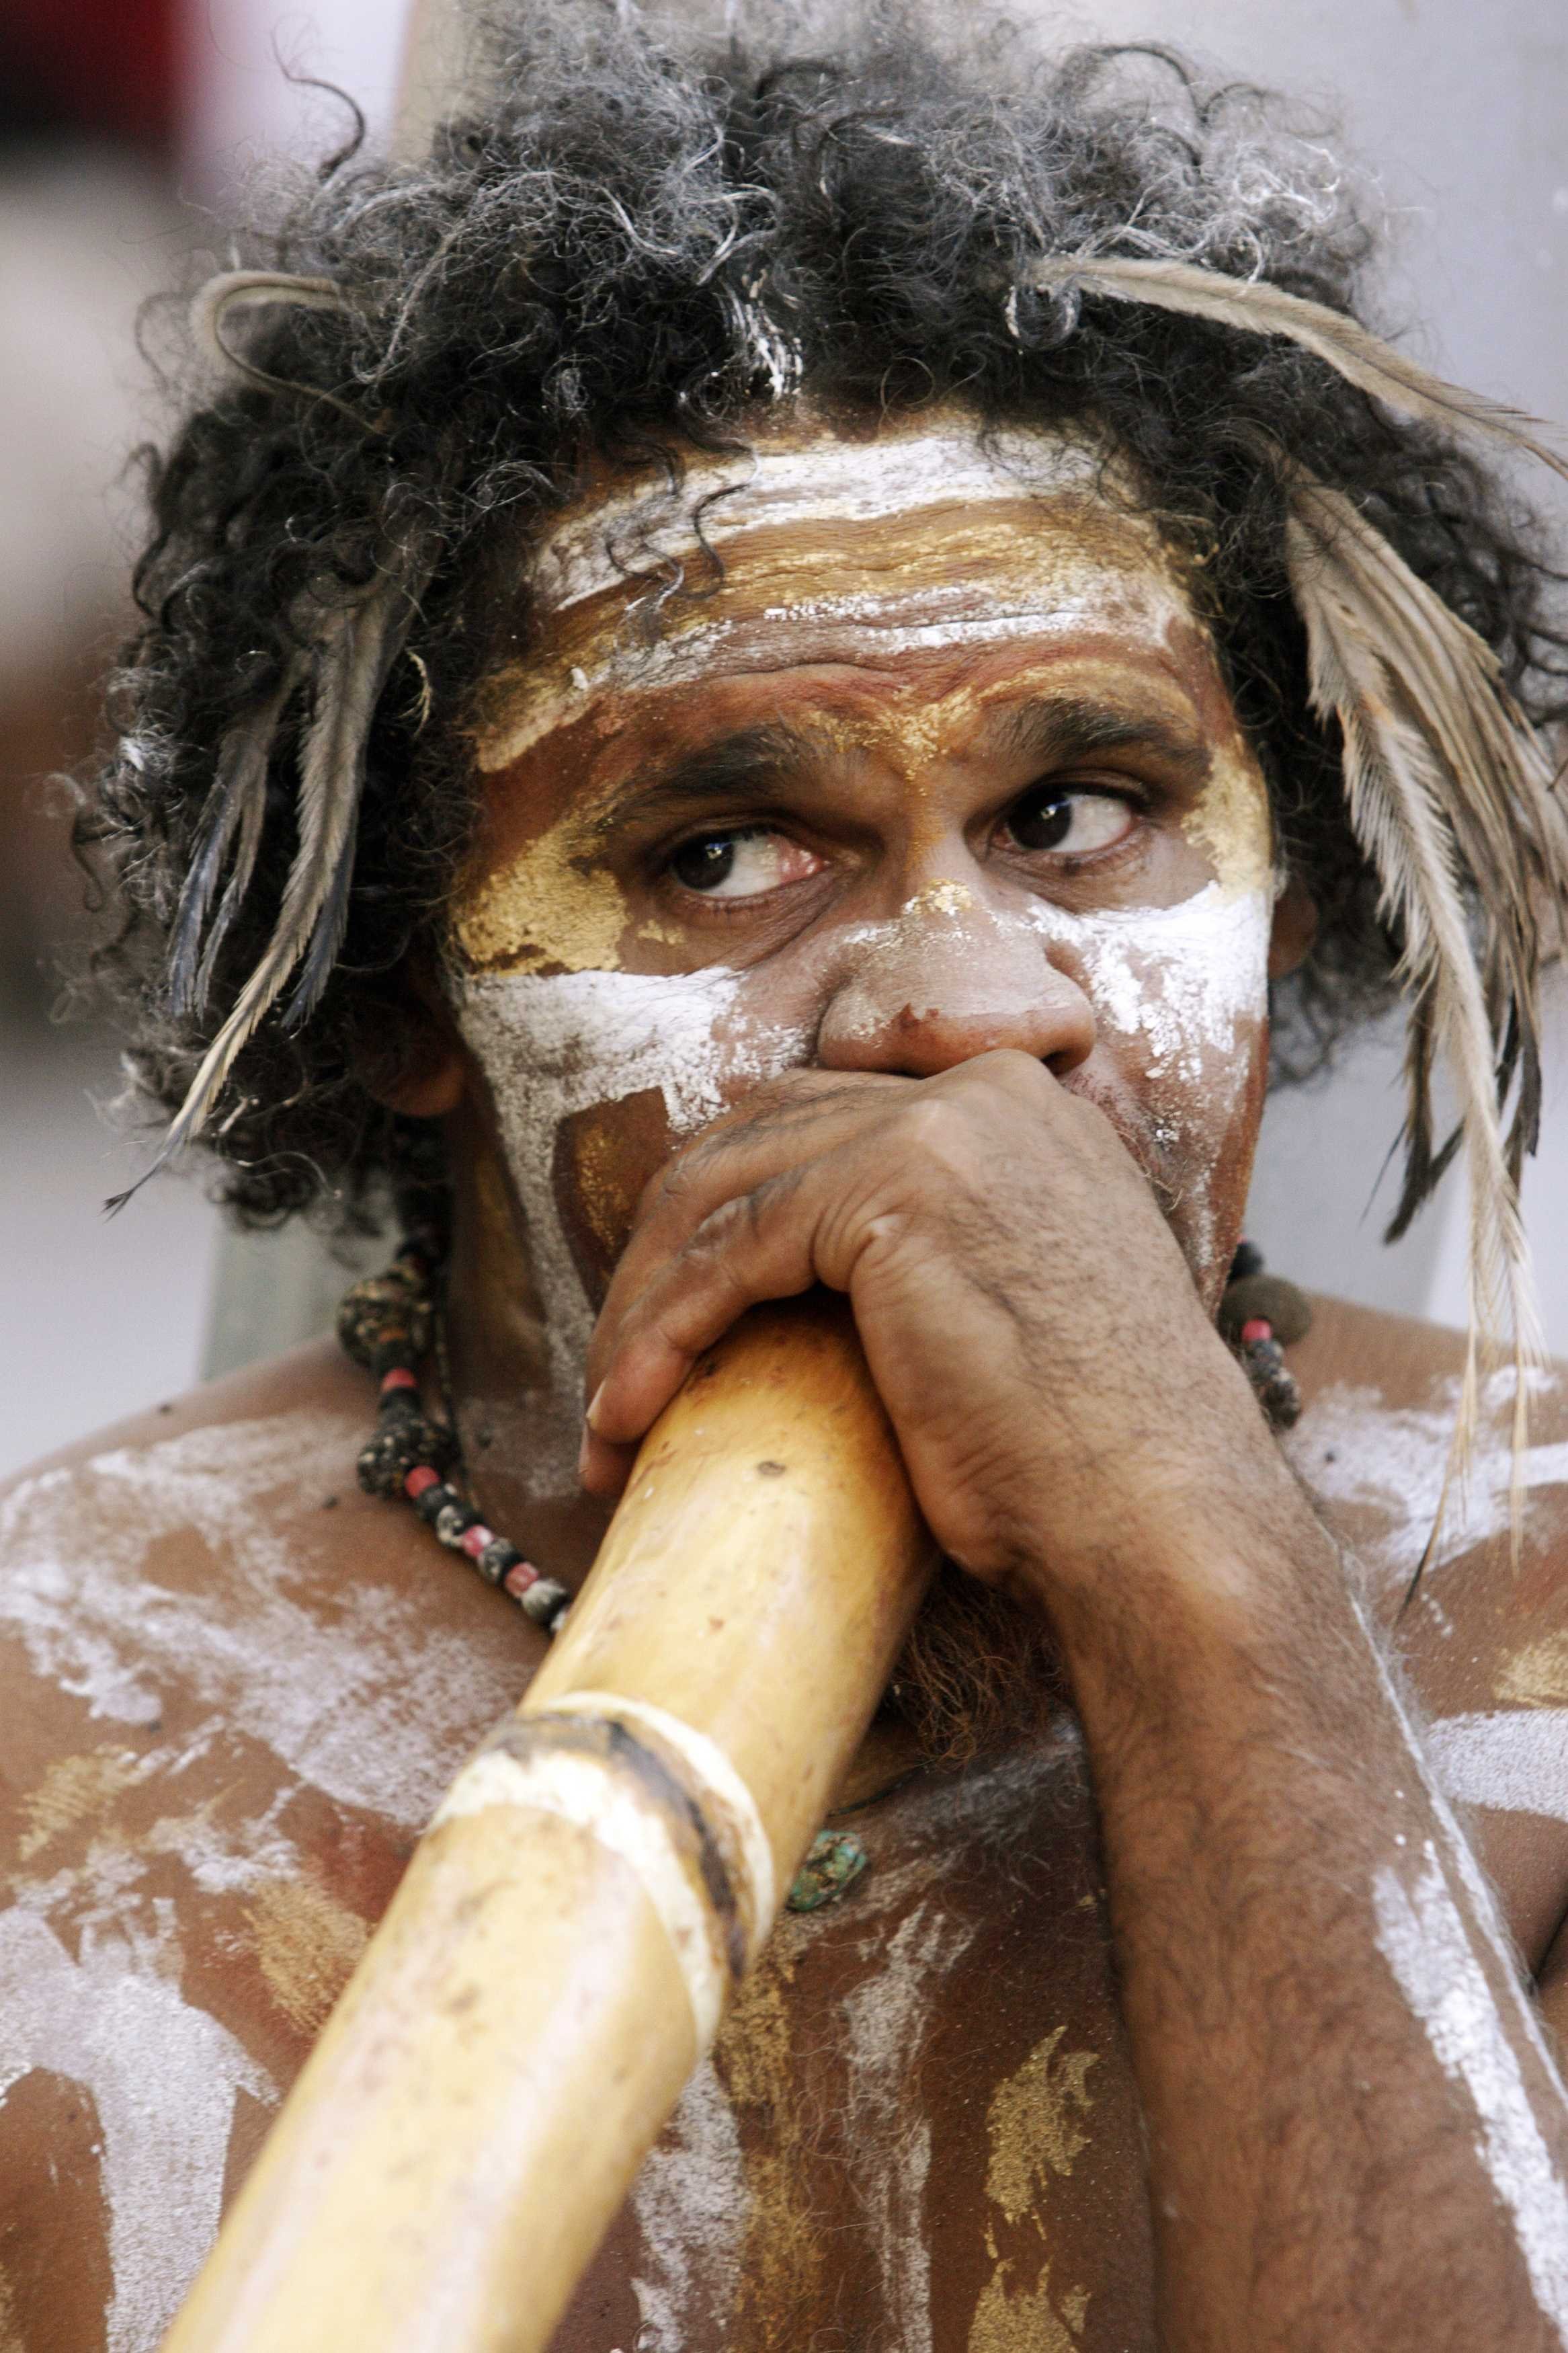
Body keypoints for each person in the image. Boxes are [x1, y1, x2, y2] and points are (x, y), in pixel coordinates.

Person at [4, 7, 1568, 2346]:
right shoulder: (63, 1734)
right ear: (399, 995)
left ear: (1302, 874)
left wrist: (1191, 1546)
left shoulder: (1535, 1645)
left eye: (1073, 814)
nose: (954, 1003)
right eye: (726, 847)